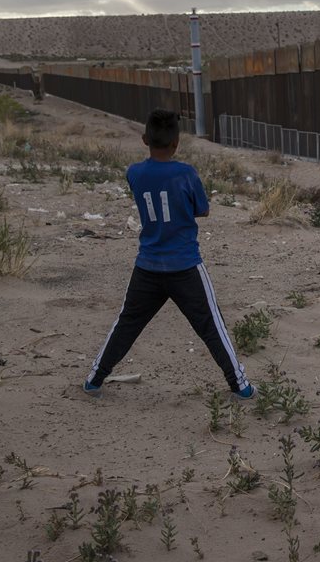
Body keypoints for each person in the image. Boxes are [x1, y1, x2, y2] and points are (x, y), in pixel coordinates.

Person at [84, 108, 255, 400]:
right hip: (185, 265)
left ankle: (95, 378)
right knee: (211, 326)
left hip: (148, 266)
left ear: (144, 140)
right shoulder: (186, 173)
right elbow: (202, 208)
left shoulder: (134, 173)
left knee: (127, 324)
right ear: (177, 142)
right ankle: (240, 386)